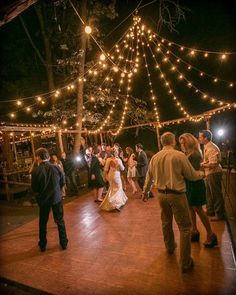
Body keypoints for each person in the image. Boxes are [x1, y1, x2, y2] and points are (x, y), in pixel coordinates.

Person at [143, 132, 203, 273]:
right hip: (176, 195)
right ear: (173, 141)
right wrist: (201, 174)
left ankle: (170, 247)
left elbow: (149, 176)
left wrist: (145, 192)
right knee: (185, 227)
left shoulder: (155, 157)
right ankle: (185, 262)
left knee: (166, 221)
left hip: (161, 196)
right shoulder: (179, 155)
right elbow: (191, 175)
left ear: (162, 142)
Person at [179, 133, 218, 248]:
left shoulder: (195, 154)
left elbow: (190, 172)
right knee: (190, 208)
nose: (182, 145)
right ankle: (194, 231)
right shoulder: (188, 153)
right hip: (189, 183)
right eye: (181, 143)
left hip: (195, 183)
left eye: (184, 143)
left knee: (198, 209)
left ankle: (211, 234)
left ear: (189, 142)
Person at [31, 148, 68, 252]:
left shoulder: (36, 171)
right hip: (56, 198)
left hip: (43, 200)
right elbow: (62, 182)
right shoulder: (56, 167)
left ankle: (42, 244)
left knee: (43, 222)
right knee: (60, 220)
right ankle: (64, 242)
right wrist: (57, 190)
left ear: (38, 157)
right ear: (47, 157)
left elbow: (34, 188)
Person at [198, 130, 225, 221]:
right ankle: (210, 210)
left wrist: (202, 165)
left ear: (206, 138)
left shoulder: (211, 148)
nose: (199, 139)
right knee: (209, 193)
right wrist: (205, 162)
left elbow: (213, 164)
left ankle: (219, 214)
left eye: (200, 137)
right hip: (210, 173)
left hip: (214, 173)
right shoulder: (207, 146)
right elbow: (210, 161)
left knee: (216, 194)